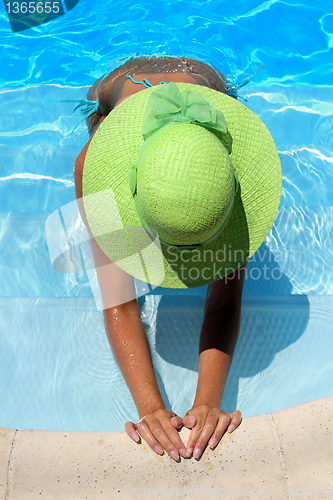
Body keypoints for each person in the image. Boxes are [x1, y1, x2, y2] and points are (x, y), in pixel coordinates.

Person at [73, 56, 282, 461]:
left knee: (192, 199)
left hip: (207, 82)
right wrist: (149, 407)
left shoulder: (219, 181)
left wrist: (208, 401)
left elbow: (223, 300)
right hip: (120, 85)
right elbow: (118, 297)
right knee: (99, 114)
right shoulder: (91, 167)